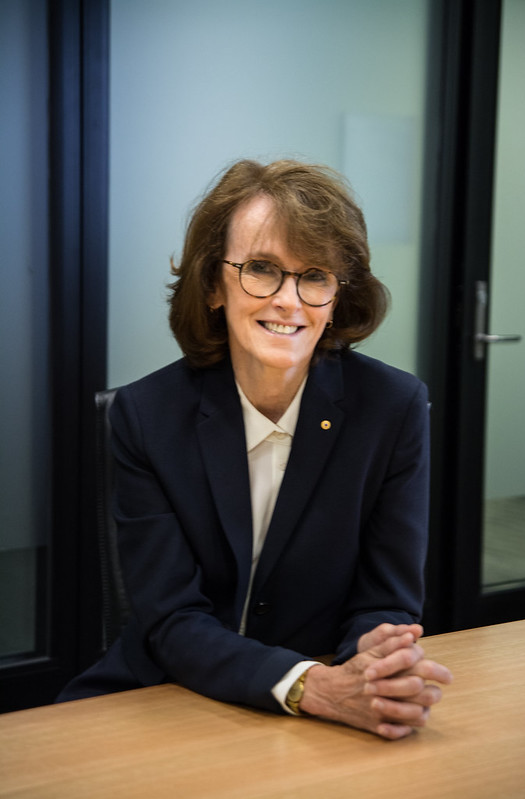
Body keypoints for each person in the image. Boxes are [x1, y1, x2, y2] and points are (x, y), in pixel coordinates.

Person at [57, 159, 452, 739]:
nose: (289, 300)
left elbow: (386, 600)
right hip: (169, 690)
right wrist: (306, 686)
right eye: (262, 269)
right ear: (214, 285)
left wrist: (376, 653)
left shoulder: (393, 410)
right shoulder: (146, 416)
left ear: (337, 297)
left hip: (330, 703)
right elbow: (171, 620)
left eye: (314, 275)